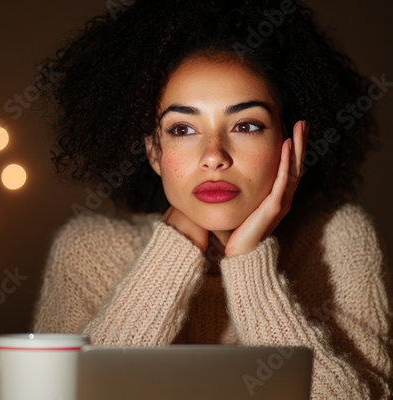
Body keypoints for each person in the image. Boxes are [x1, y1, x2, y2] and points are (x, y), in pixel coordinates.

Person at [32, 0, 392, 398]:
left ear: (288, 144)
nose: (214, 156)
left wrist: (248, 264)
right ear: (154, 152)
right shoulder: (89, 250)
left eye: (245, 125)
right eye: (183, 129)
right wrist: (177, 243)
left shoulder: (335, 239)